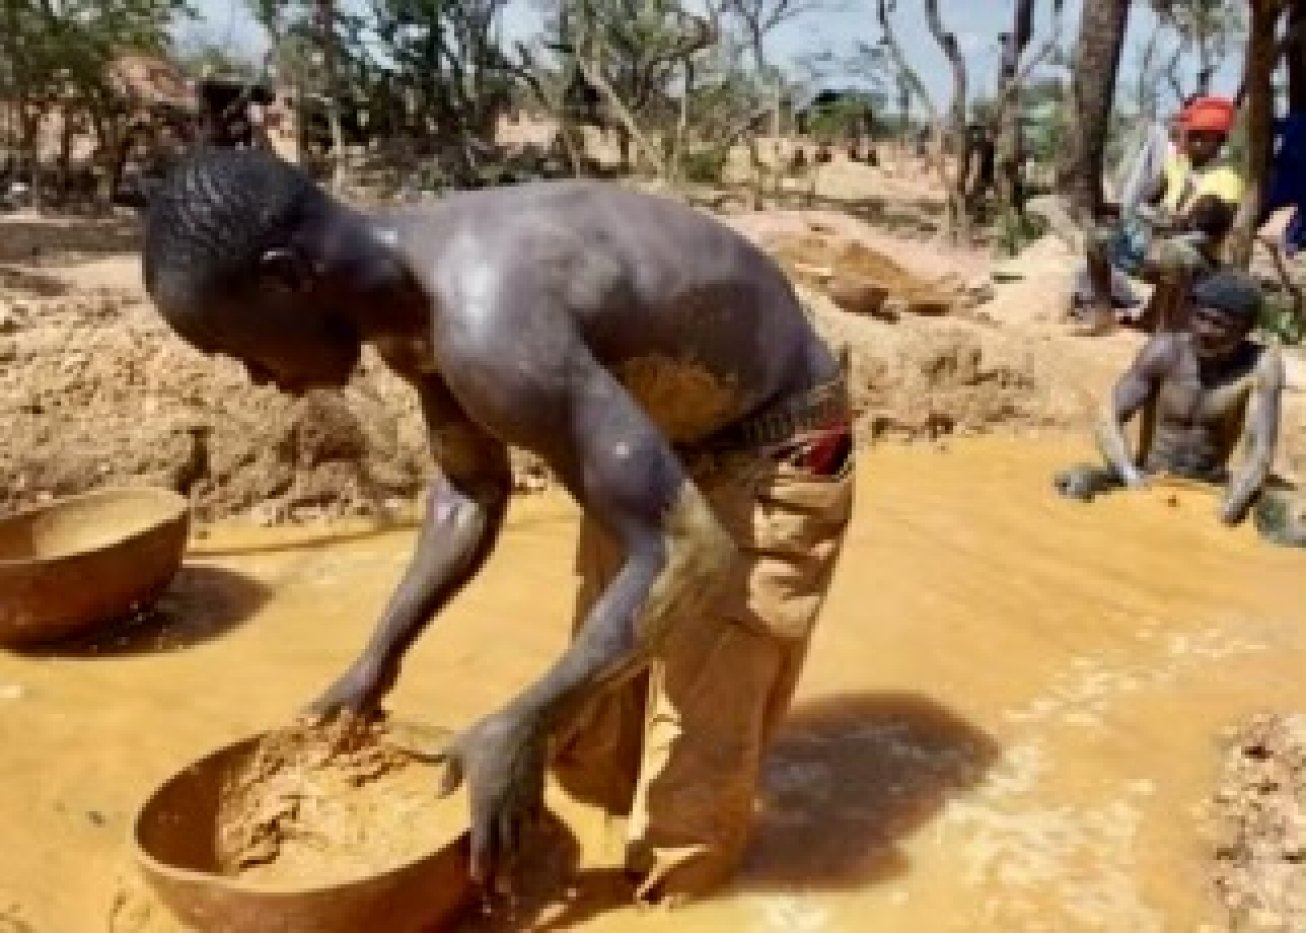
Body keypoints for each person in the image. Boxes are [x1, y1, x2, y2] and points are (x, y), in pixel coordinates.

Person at [140, 148, 855, 903]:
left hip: (775, 438)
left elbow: (687, 550)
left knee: (686, 813)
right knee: (597, 750)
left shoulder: (487, 320)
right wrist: (379, 659)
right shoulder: (405, 312)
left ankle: (681, 898)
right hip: (654, 438)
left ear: (286, 277)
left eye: (238, 348)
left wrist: (527, 720)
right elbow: (468, 487)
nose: (258, 379)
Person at [1054, 269, 1304, 546]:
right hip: (1148, 477)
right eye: (1200, 317)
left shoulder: (1260, 365)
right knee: (1074, 482)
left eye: (1218, 324)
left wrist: (1228, 511)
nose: (1204, 331)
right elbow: (1108, 416)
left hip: (1213, 487)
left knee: (1290, 528)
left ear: (1244, 330)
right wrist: (1130, 476)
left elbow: (1259, 452)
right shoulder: (1166, 350)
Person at [1075, 96, 1245, 336]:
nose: (1186, 140)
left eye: (1195, 136)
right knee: (1098, 237)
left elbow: (1207, 232)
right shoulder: (1177, 165)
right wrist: (1119, 214)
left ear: (1214, 141)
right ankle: (1104, 315)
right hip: (1160, 243)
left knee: (1173, 253)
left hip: (1199, 264)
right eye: (1189, 134)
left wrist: (1168, 226)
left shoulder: (1227, 179)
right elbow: (1144, 202)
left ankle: (1164, 332)